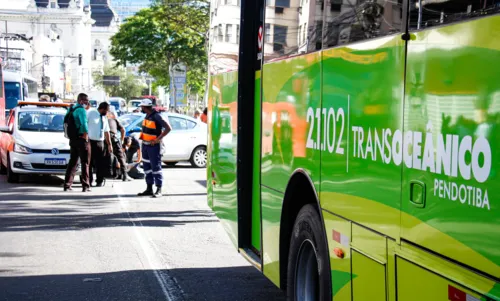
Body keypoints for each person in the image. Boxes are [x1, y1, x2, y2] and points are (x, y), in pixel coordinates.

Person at [137, 99, 172, 198]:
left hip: (154, 146)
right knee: (147, 168)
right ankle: (149, 188)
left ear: (145, 107)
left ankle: (159, 189)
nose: (141, 108)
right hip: (145, 145)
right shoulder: (147, 115)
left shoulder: (157, 115)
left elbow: (168, 128)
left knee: (156, 167)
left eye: (142, 107)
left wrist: (158, 139)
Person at [64, 93, 91, 192]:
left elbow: (65, 121)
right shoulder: (81, 110)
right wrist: (86, 137)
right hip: (81, 139)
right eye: (86, 100)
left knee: (73, 162)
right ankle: (85, 185)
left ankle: (67, 185)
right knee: (85, 162)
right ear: (81, 100)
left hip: (73, 139)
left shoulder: (71, 109)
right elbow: (84, 124)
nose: (87, 102)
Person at [87, 102, 113, 187]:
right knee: (89, 163)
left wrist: (109, 144)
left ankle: (99, 181)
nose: (107, 112)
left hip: (100, 142)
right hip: (90, 141)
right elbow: (84, 124)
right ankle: (89, 181)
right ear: (103, 109)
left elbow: (106, 131)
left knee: (100, 163)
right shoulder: (91, 113)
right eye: (107, 110)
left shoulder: (104, 117)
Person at [107, 106, 132, 181]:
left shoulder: (102, 119)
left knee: (103, 157)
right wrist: (121, 140)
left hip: (104, 139)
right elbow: (123, 130)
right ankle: (124, 175)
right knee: (120, 157)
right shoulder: (113, 120)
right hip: (113, 139)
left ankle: (102, 177)